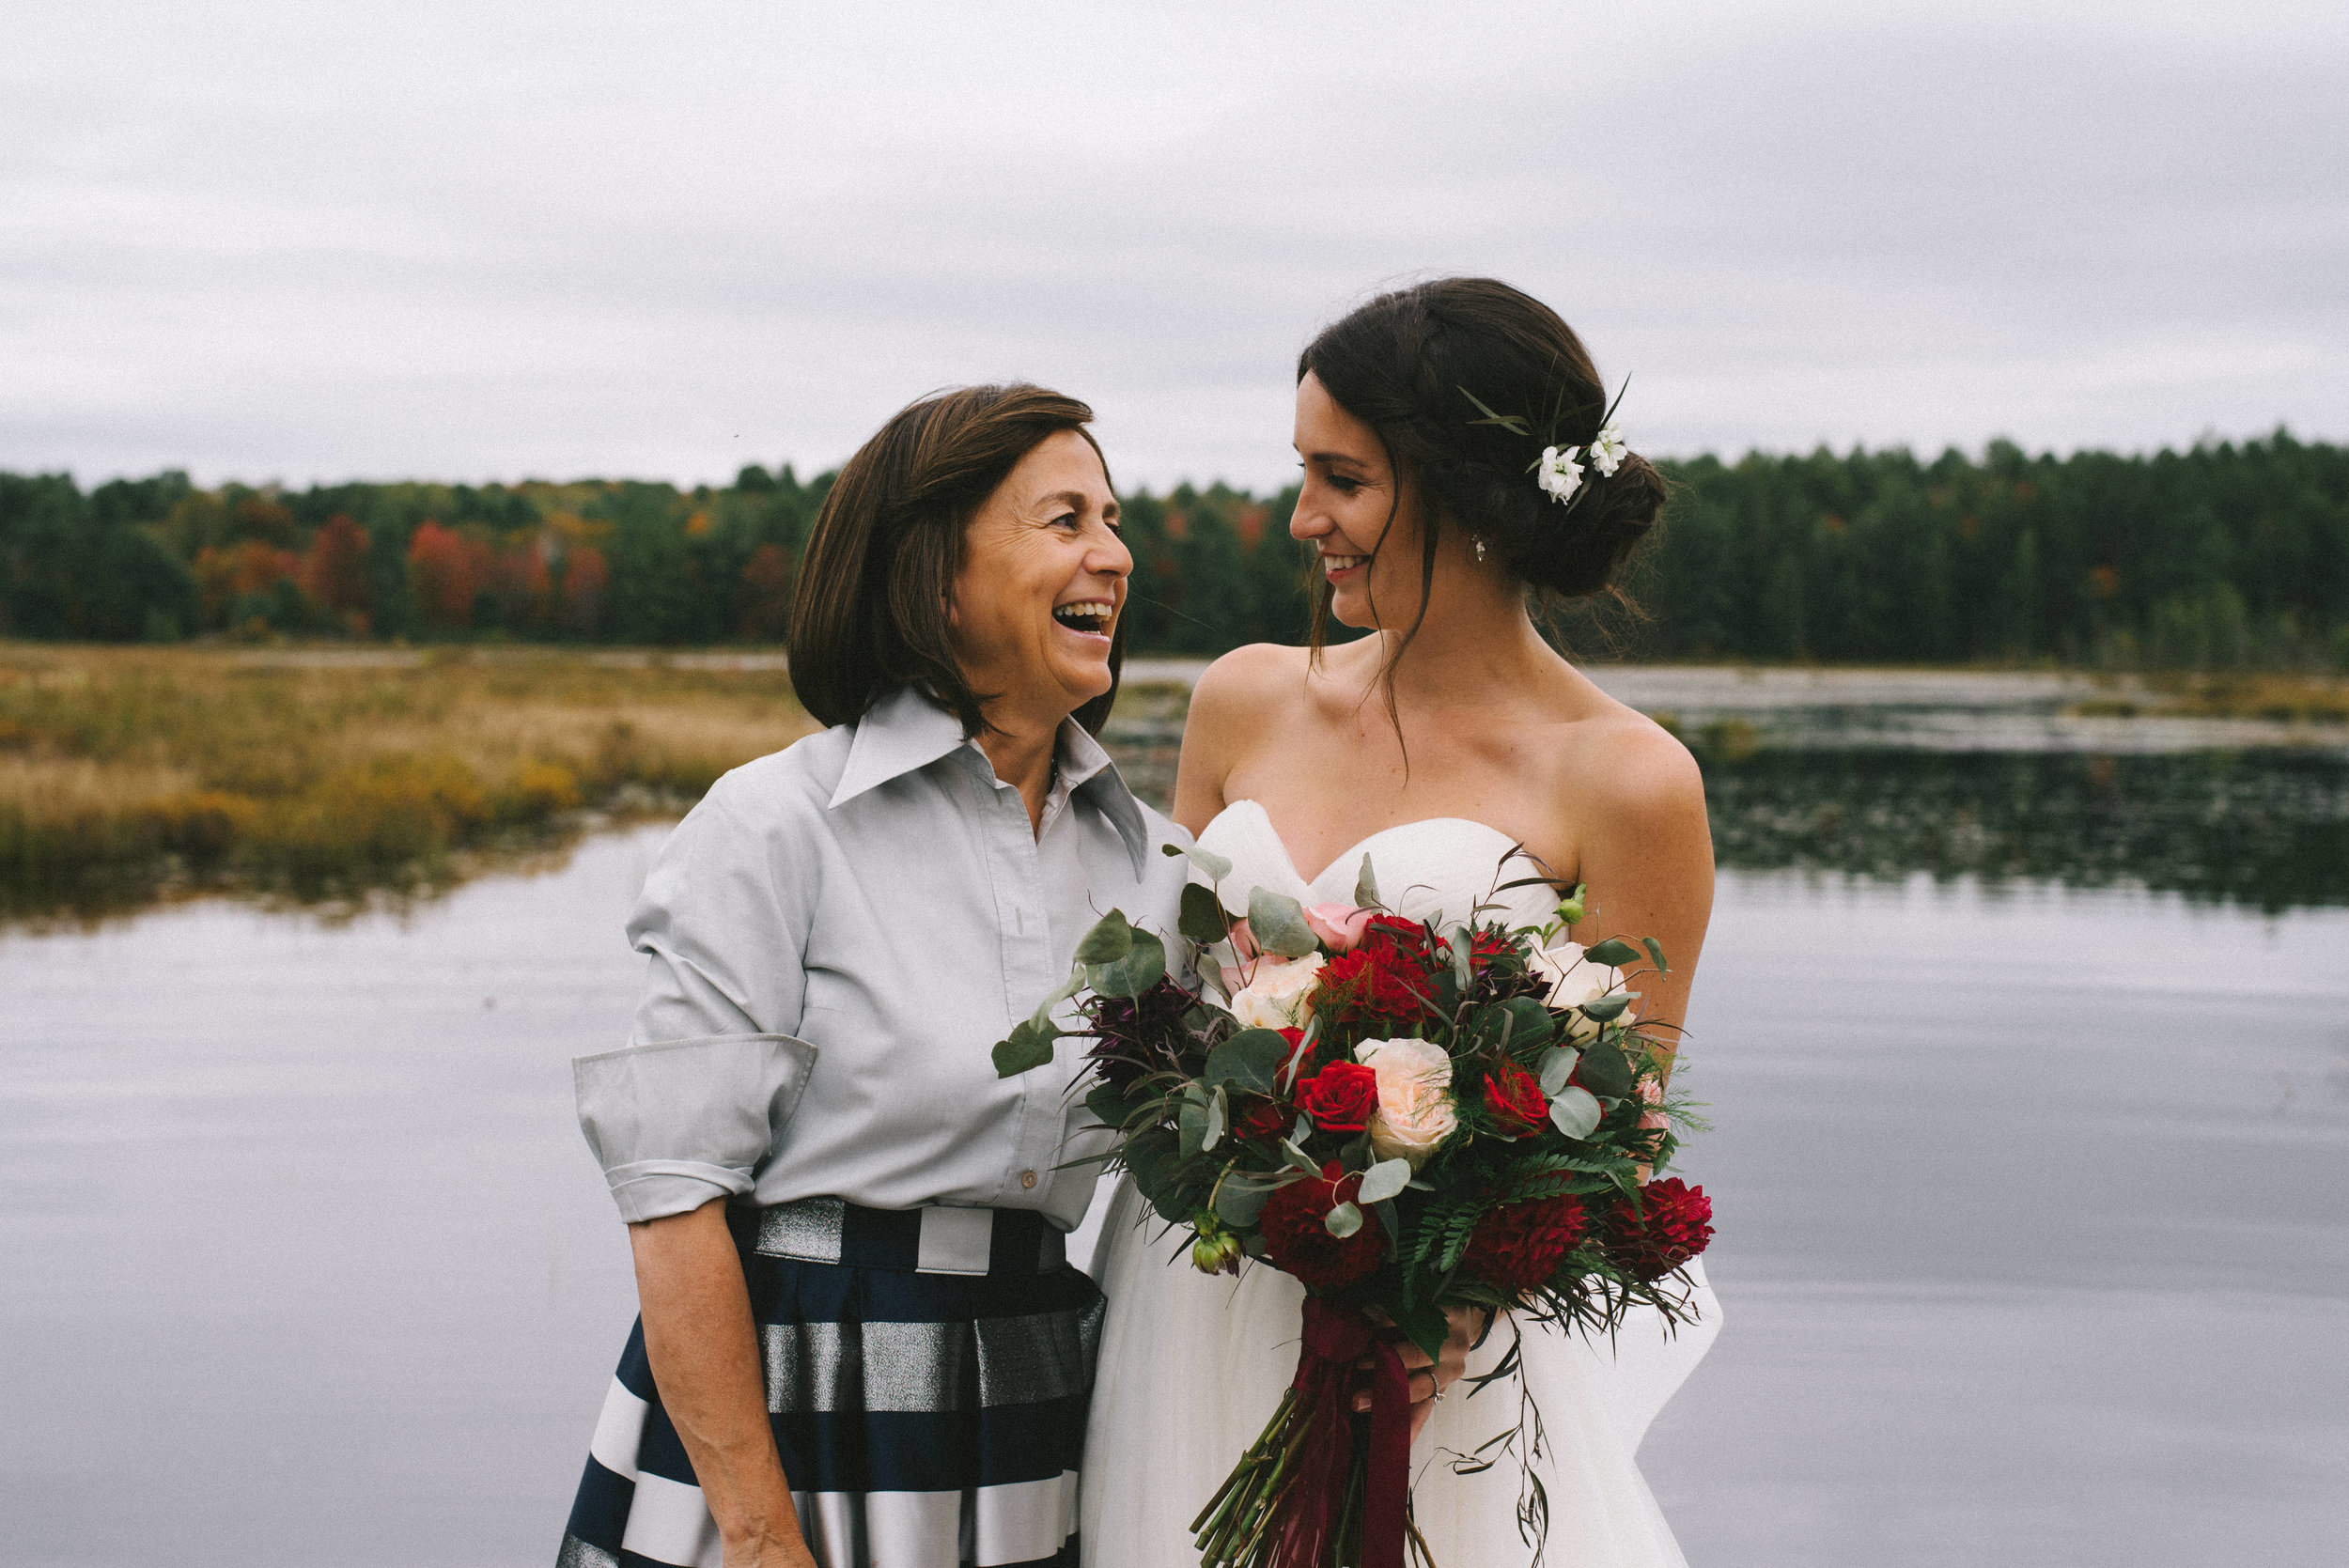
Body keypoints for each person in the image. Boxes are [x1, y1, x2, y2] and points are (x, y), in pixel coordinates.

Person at [1082, 278, 1723, 1566]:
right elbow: (1169, 1014)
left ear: (1463, 490)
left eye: (1343, 478)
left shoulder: (1628, 778)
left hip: (1434, 1346)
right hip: (1189, 1290)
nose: (1303, 516)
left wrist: (1460, 1301)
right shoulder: (1244, 701)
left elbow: (1621, 1130)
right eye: (1304, 471)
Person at [557, 383, 1190, 1568]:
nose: (1116, 552)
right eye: (1065, 520)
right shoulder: (772, 825)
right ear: (934, 575)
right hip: (787, 1411)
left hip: (1035, 1400)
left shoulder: (1162, 869)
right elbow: (674, 1198)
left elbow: (1210, 1174)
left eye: (1112, 519)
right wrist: (755, 1537)